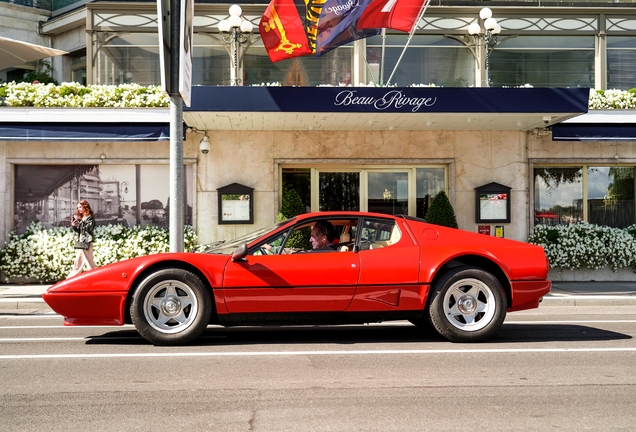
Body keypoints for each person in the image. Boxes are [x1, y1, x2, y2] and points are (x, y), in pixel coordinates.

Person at [67, 199, 97, 278]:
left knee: (89, 263)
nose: (78, 209)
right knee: (78, 262)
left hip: (86, 243)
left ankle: (96, 278)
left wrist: (80, 221)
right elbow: (79, 231)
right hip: (82, 243)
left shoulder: (90, 218)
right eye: (78, 207)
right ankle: (70, 279)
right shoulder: (83, 217)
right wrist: (74, 226)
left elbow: (88, 229)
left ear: (85, 207)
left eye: (80, 207)